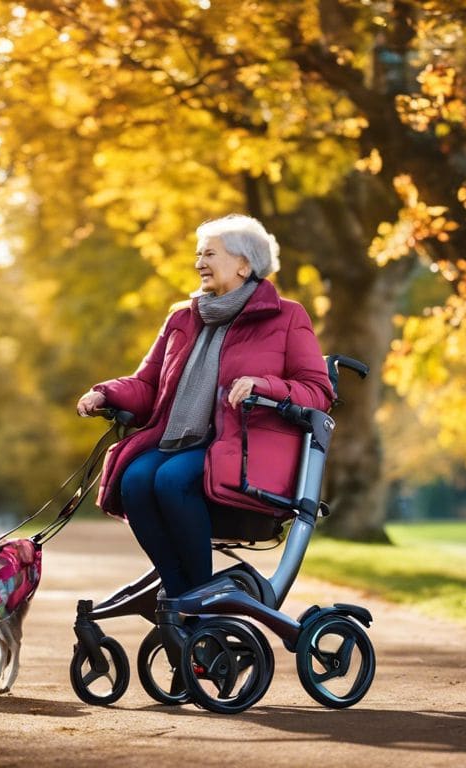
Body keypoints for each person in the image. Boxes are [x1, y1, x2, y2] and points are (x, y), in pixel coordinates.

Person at [76, 214, 334, 598]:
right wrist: (106, 393)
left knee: (170, 479)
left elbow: (318, 391)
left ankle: (195, 595)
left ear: (244, 264)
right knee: (134, 478)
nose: (199, 262)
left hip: (244, 447)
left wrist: (263, 385)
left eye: (210, 254)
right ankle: (185, 595)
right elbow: (148, 384)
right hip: (180, 441)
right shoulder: (182, 318)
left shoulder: (287, 315)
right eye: (198, 254)